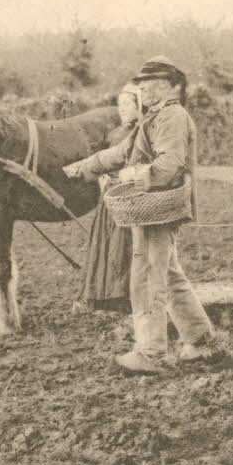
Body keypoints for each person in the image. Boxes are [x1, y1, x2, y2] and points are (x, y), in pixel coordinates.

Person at [64, 57, 226, 373]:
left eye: (149, 82)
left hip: (155, 208)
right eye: (140, 83)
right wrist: (84, 167)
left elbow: (169, 167)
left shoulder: (170, 117)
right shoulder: (155, 116)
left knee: (147, 279)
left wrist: (128, 177)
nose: (143, 88)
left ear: (171, 85)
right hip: (153, 208)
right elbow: (124, 152)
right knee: (168, 273)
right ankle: (202, 341)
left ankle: (152, 353)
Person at [74, 83, 140, 314]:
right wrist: (100, 178)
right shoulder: (114, 134)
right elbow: (101, 161)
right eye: (119, 104)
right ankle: (100, 297)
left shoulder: (140, 133)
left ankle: (120, 296)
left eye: (127, 104)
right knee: (103, 243)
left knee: (122, 245)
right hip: (107, 196)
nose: (122, 109)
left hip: (127, 196)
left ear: (138, 105)